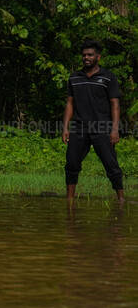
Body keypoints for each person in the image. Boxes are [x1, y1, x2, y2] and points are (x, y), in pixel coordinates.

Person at [61, 40, 124, 204]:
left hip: (102, 127)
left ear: (98, 57)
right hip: (79, 128)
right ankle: (69, 201)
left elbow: (115, 104)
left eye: (90, 55)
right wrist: (65, 128)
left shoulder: (108, 77)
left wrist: (115, 129)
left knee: (111, 165)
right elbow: (70, 103)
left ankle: (121, 199)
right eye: (84, 55)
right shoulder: (74, 77)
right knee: (71, 163)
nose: (86, 58)